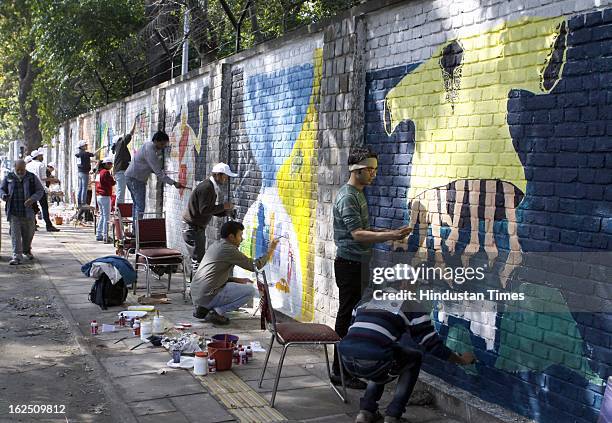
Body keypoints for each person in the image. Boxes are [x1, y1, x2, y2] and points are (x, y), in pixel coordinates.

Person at [331, 147, 412, 389]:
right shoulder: (348, 197)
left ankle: (352, 367)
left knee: (358, 315)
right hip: (350, 265)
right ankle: (339, 371)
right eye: (370, 169)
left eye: (375, 169)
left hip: (359, 264)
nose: (374, 174)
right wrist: (390, 235)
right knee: (347, 316)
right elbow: (356, 234)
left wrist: (391, 235)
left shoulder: (358, 193)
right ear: (356, 170)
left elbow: (362, 231)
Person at [339, 284, 476, 423]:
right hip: (374, 361)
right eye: (414, 284)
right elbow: (432, 344)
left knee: (384, 353)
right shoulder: (409, 304)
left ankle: (366, 412)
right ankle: (393, 415)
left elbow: (356, 330)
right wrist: (461, 360)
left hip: (346, 360)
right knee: (413, 358)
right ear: (404, 283)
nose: (415, 289)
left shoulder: (367, 300)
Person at [191, 221, 279, 325]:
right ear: (231, 237)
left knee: (239, 285)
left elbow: (213, 275)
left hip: (197, 294)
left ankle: (205, 308)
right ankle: (216, 312)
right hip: (206, 295)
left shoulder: (217, 245)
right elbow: (254, 266)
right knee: (250, 291)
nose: (242, 239)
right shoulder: (228, 250)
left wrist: (237, 280)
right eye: (240, 235)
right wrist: (270, 251)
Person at [182, 162, 236, 276]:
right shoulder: (207, 187)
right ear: (217, 175)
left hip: (195, 228)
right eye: (225, 176)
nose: (226, 179)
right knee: (198, 262)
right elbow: (205, 210)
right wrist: (224, 206)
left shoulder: (210, 186)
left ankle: (194, 288)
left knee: (199, 260)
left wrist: (225, 212)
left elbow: (209, 210)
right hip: (193, 229)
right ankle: (195, 290)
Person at [125, 130, 184, 219]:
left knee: (136, 205)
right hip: (136, 179)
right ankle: (137, 230)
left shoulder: (148, 147)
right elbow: (159, 173)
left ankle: (135, 229)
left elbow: (151, 167)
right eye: (162, 144)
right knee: (140, 207)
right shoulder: (150, 150)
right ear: (156, 141)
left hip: (132, 177)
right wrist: (174, 183)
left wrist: (159, 171)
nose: (163, 147)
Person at [0, 160, 45, 265]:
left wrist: (32, 199)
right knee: (15, 235)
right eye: (18, 169)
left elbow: (40, 190)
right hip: (14, 211)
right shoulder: (8, 177)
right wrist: (3, 195)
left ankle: (26, 250)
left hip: (28, 212)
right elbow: (1, 189)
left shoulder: (31, 177)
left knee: (29, 234)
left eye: (22, 169)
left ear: (25, 168)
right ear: (14, 167)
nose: (20, 171)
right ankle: (16, 256)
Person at [26, 149, 60, 232]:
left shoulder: (28, 165)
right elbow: (43, 178)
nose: (42, 157)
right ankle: (48, 226)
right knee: (44, 207)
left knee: (32, 206)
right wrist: (53, 180)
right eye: (41, 155)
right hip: (40, 188)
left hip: (30, 188)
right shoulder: (41, 165)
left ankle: (33, 224)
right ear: (38, 156)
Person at [112, 121, 136, 204]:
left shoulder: (118, 148)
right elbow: (130, 134)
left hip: (121, 172)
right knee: (121, 192)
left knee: (121, 192)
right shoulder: (120, 145)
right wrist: (134, 123)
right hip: (121, 172)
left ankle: (118, 210)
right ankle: (119, 211)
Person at [95, 157, 115, 242]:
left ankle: (99, 234)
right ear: (105, 164)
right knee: (106, 217)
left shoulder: (99, 172)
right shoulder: (106, 172)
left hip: (99, 196)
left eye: (111, 164)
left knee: (102, 216)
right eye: (109, 164)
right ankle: (105, 236)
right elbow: (112, 182)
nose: (111, 165)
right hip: (105, 196)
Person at [75, 140, 95, 206]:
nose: (87, 146)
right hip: (84, 173)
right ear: (82, 147)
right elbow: (91, 154)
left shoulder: (79, 154)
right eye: (85, 145)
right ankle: (83, 202)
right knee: (84, 188)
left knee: (80, 188)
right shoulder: (85, 154)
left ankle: (79, 202)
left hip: (80, 172)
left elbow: (87, 159)